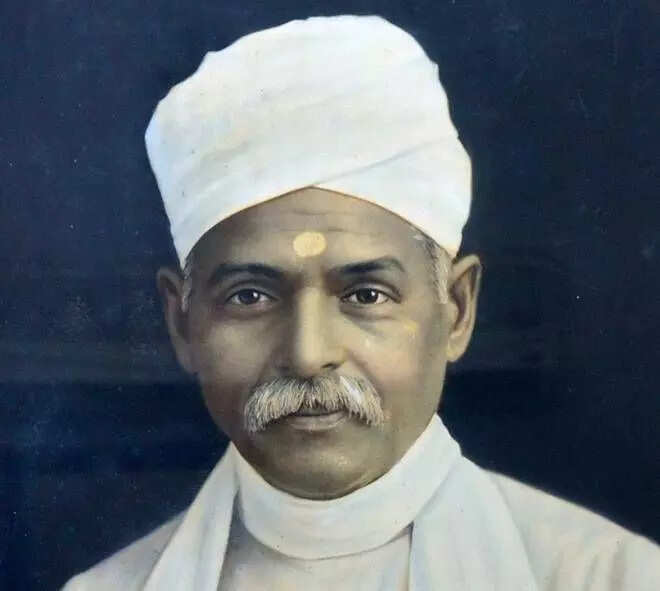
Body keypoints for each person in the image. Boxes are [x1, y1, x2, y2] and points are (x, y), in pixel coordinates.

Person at [63, 14, 660, 591]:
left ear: (456, 310)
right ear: (181, 322)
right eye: (250, 296)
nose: (308, 354)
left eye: (366, 295)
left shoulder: (613, 579)